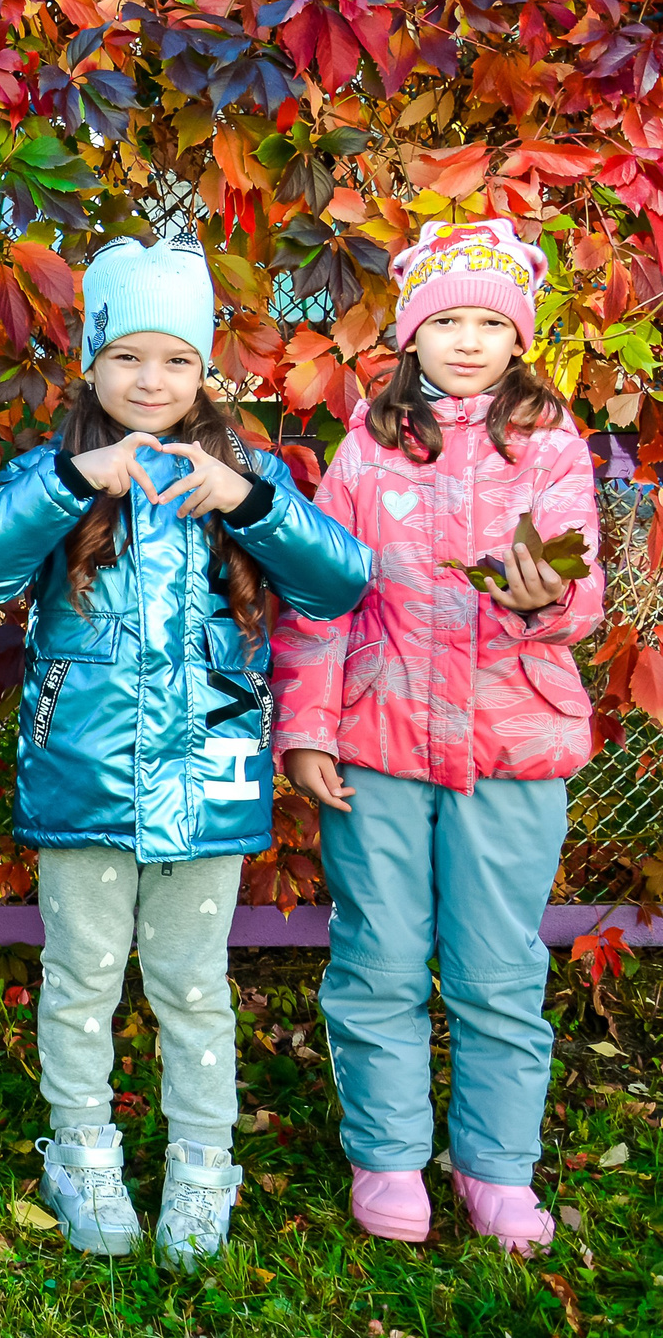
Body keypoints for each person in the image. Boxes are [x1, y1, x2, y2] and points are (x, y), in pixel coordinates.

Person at [0, 234, 370, 1269]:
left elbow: (341, 581)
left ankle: (199, 1163)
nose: (151, 379)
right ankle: (82, 1151)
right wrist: (69, 482)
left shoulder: (246, 471)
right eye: (128, 356)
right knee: (82, 975)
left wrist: (249, 502)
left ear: (202, 368)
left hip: (208, 776)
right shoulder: (57, 469)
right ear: (92, 361)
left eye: (174, 358)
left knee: (190, 981)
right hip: (80, 774)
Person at [274, 219, 603, 1255]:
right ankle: (386, 1155)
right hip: (379, 737)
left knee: (499, 964)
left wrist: (545, 595)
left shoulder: (548, 447)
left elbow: (577, 581)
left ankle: (495, 1167)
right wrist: (306, 726)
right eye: (446, 319)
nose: (467, 340)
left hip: (510, 742)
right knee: (377, 952)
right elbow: (323, 596)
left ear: (519, 339)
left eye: (489, 322)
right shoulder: (367, 450)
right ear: (411, 333)